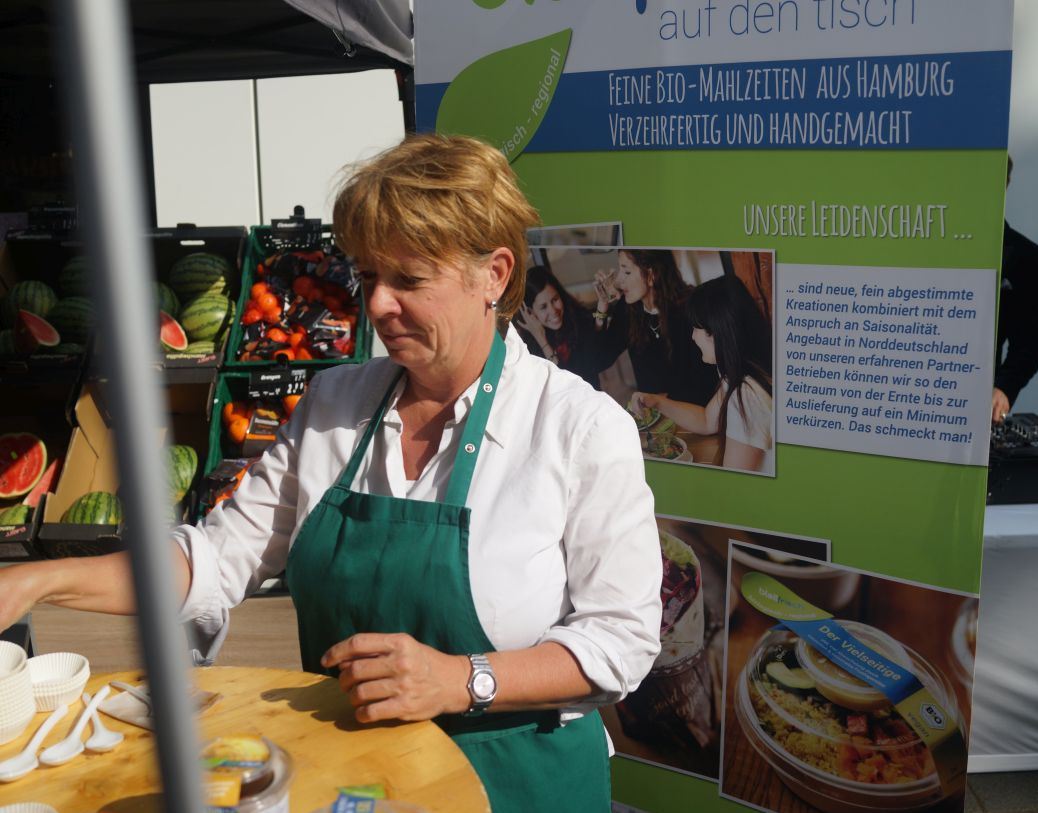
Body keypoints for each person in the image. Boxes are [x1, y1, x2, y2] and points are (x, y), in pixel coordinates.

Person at [0, 134, 661, 813]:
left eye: (408, 280)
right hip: (360, 779)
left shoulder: (578, 428)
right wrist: (37, 580)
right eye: (368, 277)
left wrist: (462, 679)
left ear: (493, 274)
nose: (376, 305)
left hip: (518, 780)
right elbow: (214, 560)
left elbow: (623, 640)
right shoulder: (335, 403)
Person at [630, 276, 773, 473]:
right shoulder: (744, 371)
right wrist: (657, 402)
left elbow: (734, 482)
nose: (692, 336)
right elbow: (707, 421)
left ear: (715, 332)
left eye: (696, 328)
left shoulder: (746, 396)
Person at [594, 249, 717, 407]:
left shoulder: (690, 308)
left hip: (694, 411)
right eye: (620, 270)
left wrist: (661, 401)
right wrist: (602, 308)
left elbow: (707, 381)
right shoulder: (628, 309)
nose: (618, 281)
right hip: (653, 415)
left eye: (627, 272)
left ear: (651, 275)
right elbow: (598, 360)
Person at [992, 157, 1038, 424]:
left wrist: (1004, 388)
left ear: (1006, 183)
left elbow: (1029, 341)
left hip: (974, 403)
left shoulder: (1027, 258)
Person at [513, 264, 611, 388]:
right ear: (530, 312)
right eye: (543, 307)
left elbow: (594, 357)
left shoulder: (576, 319)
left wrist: (602, 306)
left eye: (555, 300)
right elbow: (561, 386)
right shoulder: (527, 350)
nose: (553, 311)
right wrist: (541, 338)